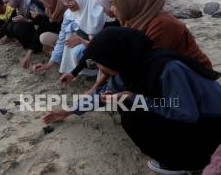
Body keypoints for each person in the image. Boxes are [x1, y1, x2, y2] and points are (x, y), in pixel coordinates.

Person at [67, 27, 221, 173]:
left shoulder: (168, 69)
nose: (99, 68)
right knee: (124, 103)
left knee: (132, 114)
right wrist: (68, 110)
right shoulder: (129, 67)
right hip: (193, 118)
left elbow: (186, 114)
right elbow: (104, 96)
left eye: (99, 61)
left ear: (113, 55)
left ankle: (187, 163)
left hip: (212, 123)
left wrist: (132, 97)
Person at [60, 0, 213, 88]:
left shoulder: (163, 25)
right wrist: (88, 84)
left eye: (114, 3)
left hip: (192, 79)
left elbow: (142, 67)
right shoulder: (134, 21)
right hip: (166, 75)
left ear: (134, 1)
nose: (111, 9)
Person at [32, 0, 106, 76]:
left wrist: (81, 40)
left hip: (103, 49)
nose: (67, 3)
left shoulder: (102, 11)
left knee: (78, 50)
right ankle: (83, 70)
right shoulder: (69, 14)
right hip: (89, 45)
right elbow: (62, 38)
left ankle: (100, 72)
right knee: (69, 34)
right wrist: (49, 64)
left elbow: (107, 40)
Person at [0, 0, 61, 69]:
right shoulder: (19, 6)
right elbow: (6, 26)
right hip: (41, 30)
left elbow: (42, 25)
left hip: (44, 32)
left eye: (10, 0)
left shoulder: (33, 4)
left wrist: (28, 20)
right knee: (10, 25)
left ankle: (35, 48)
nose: (8, 3)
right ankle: (30, 47)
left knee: (18, 27)